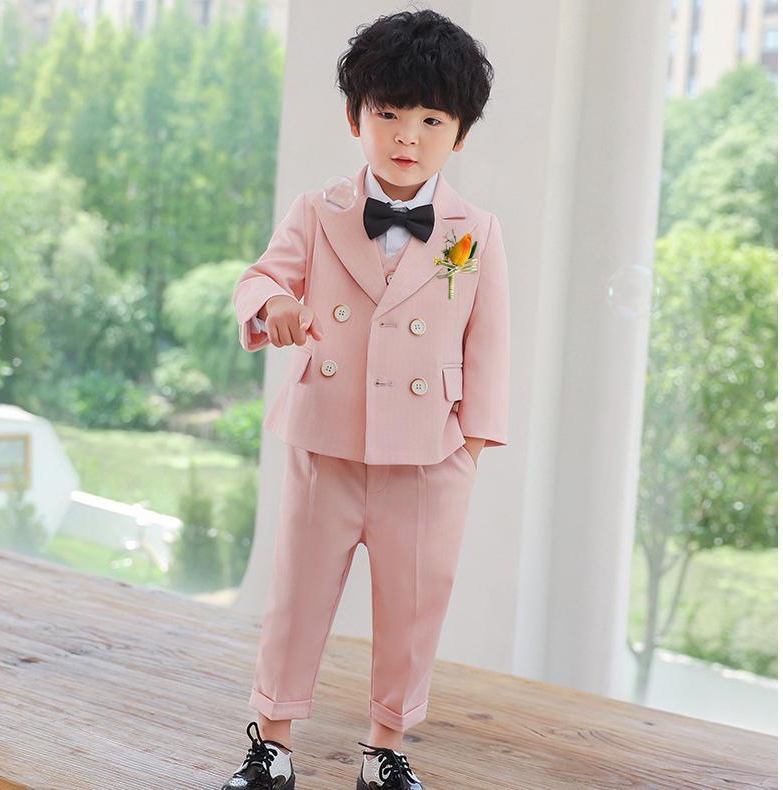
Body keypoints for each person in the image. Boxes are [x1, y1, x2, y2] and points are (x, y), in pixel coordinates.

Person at [223, 8, 509, 789]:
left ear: (461, 133)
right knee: (296, 598)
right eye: (388, 114)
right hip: (327, 441)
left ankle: (385, 750)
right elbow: (261, 276)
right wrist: (274, 304)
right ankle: (272, 744)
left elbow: (489, 345)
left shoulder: (474, 232)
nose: (406, 136)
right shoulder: (318, 210)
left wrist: (471, 447)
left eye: (431, 119)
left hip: (427, 456)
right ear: (355, 117)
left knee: (414, 609)